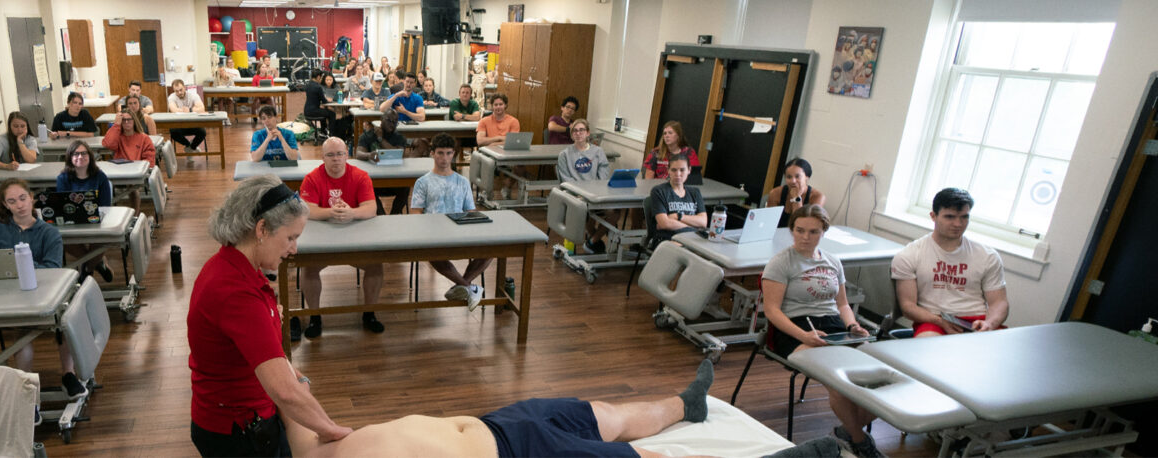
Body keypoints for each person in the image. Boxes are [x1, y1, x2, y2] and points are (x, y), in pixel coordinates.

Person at [282, 361, 770, 458]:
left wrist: (288, 374)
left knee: (604, 414)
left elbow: (297, 411)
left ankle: (687, 405)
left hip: (499, 422)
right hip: (524, 455)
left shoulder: (315, 451)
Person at [187, 175, 354, 455]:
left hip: (244, 418)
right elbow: (284, 392)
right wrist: (333, 431)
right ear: (262, 229)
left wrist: (294, 377)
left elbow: (263, 352)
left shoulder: (237, 266)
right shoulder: (235, 291)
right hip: (238, 431)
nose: (294, 249)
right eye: (290, 237)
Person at [760, 205, 881, 458]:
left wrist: (852, 325)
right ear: (791, 230)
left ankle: (847, 433)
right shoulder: (781, 262)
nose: (805, 237)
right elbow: (772, 311)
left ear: (824, 232)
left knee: (879, 382)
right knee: (838, 382)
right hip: (795, 327)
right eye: (800, 230)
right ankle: (861, 443)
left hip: (833, 326)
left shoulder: (833, 261)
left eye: (813, 232)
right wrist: (804, 336)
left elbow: (843, 304)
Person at [0, 179, 86, 397]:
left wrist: (14, 263)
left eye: (22, 198)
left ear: (31, 198)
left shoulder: (49, 232)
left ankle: (68, 373)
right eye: (12, 201)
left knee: (65, 318)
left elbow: (53, 269)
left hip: (44, 291)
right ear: (5, 205)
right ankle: (25, 386)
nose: (19, 205)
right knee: (23, 329)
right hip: (6, 294)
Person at [296, 138, 385, 339]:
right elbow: (306, 210)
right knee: (309, 268)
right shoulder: (312, 178)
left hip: (356, 241)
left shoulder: (361, 176)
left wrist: (351, 213)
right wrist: (331, 212)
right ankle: (314, 316)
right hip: (322, 243)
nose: (336, 159)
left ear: (347, 155)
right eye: (330, 155)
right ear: (322, 157)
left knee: (375, 266)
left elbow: (371, 208)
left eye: (340, 154)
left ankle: (369, 314)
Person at [891, 188, 1009, 337]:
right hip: (934, 320)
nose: (958, 224)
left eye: (964, 217)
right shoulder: (909, 255)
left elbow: (999, 302)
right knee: (928, 345)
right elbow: (907, 306)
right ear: (933, 216)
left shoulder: (987, 256)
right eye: (949, 217)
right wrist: (940, 322)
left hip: (976, 322)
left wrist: (989, 324)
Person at [408, 133, 491, 310]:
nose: (444, 158)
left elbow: (471, 212)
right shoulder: (423, 182)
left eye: (448, 153)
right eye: (440, 153)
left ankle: (462, 286)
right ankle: (470, 287)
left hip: (459, 232)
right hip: (434, 235)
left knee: (491, 249)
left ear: (453, 153)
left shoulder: (462, 182)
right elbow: (415, 214)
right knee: (432, 253)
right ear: (432, 153)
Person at [557, 119, 619, 253]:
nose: (578, 133)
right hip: (576, 195)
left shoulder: (598, 152)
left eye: (581, 130)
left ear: (588, 133)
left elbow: (603, 174)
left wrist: (594, 192)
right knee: (583, 210)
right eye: (575, 130)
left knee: (614, 213)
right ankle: (592, 241)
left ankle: (593, 240)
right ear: (571, 134)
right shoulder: (564, 155)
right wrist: (580, 194)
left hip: (595, 195)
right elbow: (566, 181)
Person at [56, 141, 115, 282]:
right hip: (73, 221)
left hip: (97, 221)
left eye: (84, 153)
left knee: (102, 241)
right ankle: (97, 262)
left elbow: (105, 205)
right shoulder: (63, 178)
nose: (80, 157)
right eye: (76, 154)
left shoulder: (100, 177)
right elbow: (63, 204)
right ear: (70, 157)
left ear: (90, 156)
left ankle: (87, 270)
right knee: (63, 240)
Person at [355, 110, 411, 215]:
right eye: (389, 120)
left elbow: (399, 154)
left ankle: (394, 214)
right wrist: (369, 155)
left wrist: (381, 139)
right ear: (381, 120)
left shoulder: (399, 137)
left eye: (395, 122)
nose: (392, 124)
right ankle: (382, 216)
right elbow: (358, 154)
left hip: (394, 179)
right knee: (366, 188)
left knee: (406, 187)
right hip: (375, 180)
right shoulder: (367, 135)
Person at [645, 156, 707, 250]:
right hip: (667, 239)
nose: (678, 174)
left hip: (693, 239)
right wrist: (693, 228)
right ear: (668, 170)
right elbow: (664, 224)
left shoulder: (695, 192)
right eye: (674, 170)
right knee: (686, 251)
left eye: (682, 170)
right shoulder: (659, 191)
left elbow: (703, 222)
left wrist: (678, 216)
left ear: (689, 170)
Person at [101, 109, 156, 210]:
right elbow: (107, 144)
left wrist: (143, 170)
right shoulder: (118, 137)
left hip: (136, 173)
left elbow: (150, 158)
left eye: (129, 120)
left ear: (134, 120)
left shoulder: (144, 138)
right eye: (123, 120)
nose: (126, 122)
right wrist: (116, 125)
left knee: (133, 188)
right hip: (118, 171)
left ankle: (135, 215)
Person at [477, 93, 523, 199]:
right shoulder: (484, 121)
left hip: (508, 153)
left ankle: (507, 188)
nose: (498, 107)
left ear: (505, 105)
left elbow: (513, 141)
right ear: (492, 106)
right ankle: (487, 190)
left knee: (520, 167)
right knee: (488, 163)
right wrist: (499, 138)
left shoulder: (513, 121)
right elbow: (480, 141)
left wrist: (492, 143)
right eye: (495, 104)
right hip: (489, 154)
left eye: (501, 104)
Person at [764, 158, 827, 228]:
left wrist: (796, 198)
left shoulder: (817, 197)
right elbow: (768, 223)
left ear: (807, 177)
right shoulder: (775, 193)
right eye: (789, 177)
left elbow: (803, 226)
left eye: (797, 176)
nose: (793, 181)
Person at [167, 79, 209, 154]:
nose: (179, 93)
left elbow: (202, 108)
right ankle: (189, 146)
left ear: (184, 87)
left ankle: (191, 148)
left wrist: (189, 110)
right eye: (176, 91)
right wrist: (194, 109)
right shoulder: (171, 97)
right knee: (173, 131)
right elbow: (173, 110)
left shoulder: (193, 95)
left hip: (193, 124)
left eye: (181, 90)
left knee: (202, 132)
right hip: (179, 125)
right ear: (174, 91)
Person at [303, 71, 339, 136]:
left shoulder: (308, 85)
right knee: (332, 114)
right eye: (321, 77)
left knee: (324, 112)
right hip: (314, 111)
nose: (322, 79)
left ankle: (323, 131)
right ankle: (332, 134)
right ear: (318, 77)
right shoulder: (318, 87)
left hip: (307, 110)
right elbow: (324, 101)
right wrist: (333, 101)